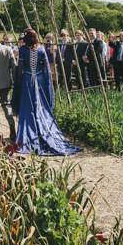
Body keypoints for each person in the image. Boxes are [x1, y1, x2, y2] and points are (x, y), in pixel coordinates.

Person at [12, 28, 81, 156]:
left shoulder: (23, 50)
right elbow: (45, 70)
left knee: (28, 109)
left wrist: (19, 85)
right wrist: (46, 85)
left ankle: (30, 135)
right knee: (41, 108)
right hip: (39, 81)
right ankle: (41, 132)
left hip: (27, 80)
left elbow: (20, 69)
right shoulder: (41, 49)